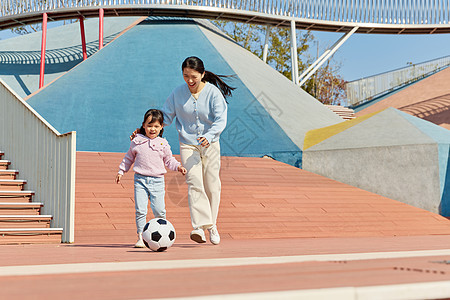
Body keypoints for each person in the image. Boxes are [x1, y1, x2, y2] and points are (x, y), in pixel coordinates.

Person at [162, 56, 235, 245]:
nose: (190, 80)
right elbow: (165, 117)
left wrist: (209, 136)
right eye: (186, 76)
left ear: (202, 74)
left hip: (210, 144)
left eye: (193, 76)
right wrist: (145, 127)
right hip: (188, 144)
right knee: (194, 182)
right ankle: (199, 227)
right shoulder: (177, 93)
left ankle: (212, 226)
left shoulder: (213, 93)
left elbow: (221, 120)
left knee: (212, 186)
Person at [116, 109, 187, 248]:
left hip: (157, 181)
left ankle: (163, 234)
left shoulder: (163, 144)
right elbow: (128, 158)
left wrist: (178, 166)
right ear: (143, 125)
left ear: (161, 127)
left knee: (159, 210)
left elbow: (169, 160)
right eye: (149, 125)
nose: (152, 129)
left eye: (156, 126)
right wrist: (121, 171)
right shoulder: (137, 141)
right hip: (140, 181)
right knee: (140, 210)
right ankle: (141, 237)